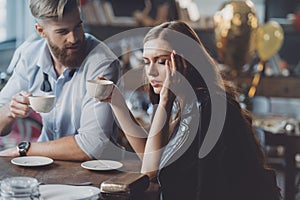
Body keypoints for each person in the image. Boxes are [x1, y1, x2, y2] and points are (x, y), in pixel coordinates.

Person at [98, 21, 281, 199]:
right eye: (147, 62)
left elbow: (151, 171)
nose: (151, 72)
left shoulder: (212, 107)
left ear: (186, 62)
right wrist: (117, 102)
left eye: (161, 61)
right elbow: (151, 156)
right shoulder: (178, 102)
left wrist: (164, 103)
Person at [0, 0, 120, 161]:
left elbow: (93, 146)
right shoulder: (29, 55)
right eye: (62, 32)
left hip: (93, 171)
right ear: (41, 31)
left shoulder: (102, 63)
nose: (74, 38)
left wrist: (25, 149)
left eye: (78, 26)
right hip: (43, 165)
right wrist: (10, 110)